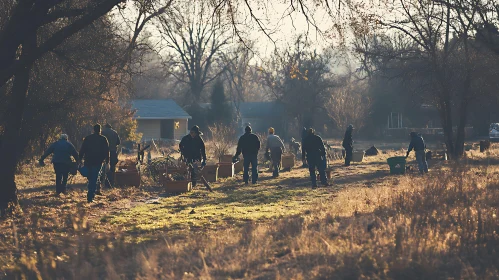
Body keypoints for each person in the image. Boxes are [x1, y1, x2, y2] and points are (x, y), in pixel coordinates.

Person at [79, 124, 110, 202]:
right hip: (98, 161)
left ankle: (91, 192)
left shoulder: (87, 138)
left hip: (88, 161)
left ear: (93, 130)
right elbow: (106, 151)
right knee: (94, 177)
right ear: (100, 130)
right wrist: (107, 161)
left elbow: (82, 149)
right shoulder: (103, 139)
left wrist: (79, 159)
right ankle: (90, 196)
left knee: (91, 177)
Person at [101, 123, 121, 188]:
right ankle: (111, 183)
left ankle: (102, 182)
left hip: (103, 152)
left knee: (102, 167)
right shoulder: (115, 133)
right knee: (112, 167)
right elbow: (118, 142)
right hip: (113, 152)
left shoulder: (102, 132)